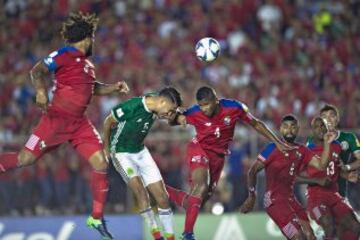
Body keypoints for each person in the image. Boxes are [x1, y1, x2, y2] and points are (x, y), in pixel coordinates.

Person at [0, 12, 129, 240]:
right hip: (55, 120)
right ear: (88, 37)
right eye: (94, 38)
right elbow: (37, 70)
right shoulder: (65, 53)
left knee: (101, 161)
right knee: (25, 160)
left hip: (80, 123)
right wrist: (41, 91)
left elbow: (92, 88)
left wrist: (114, 88)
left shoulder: (87, 64)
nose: (95, 42)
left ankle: (96, 218)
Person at [165, 86, 292, 240]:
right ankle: (188, 235)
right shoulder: (194, 112)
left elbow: (256, 124)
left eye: (206, 104)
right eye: (201, 105)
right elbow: (173, 121)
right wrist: (174, 115)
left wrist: (277, 141)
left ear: (216, 101)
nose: (204, 109)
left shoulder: (234, 107)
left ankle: (161, 189)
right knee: (201, 187)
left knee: (195, 202)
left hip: (218, 157)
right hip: (199, 149)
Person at [103, 87, 182, 240]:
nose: (169, 114)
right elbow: (108, 122)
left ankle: (171, 237)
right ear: (162, 102)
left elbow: (174, 116)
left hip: (140, 151)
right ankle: (156, 235)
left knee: (163, 197)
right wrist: (105, 147)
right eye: (170, 110)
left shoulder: (158, 105)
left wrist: (183, 118)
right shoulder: (132, 106)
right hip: (121, 153)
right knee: (140, 191)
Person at [240, 115, 336, 240]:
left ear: (298, 129)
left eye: (293, 127)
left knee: (310, 236)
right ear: (280, 129)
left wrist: (327, 143)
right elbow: (252, 171)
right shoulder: (272, 148)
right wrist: (252, 195)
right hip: (274, 202)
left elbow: (322, 165)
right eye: (285, 127)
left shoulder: (301, 150)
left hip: (291, 200)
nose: (289, 130)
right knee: (298, 237)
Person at [299, 117, 360, 239]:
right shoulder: (307, 151)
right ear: (312, 131)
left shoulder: (336, 146)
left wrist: (347, 176)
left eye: (323, 126)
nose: (320, 129)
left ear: (327, 128)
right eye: (317, 126)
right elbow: (294, 177)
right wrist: (317, 180)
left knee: (355, 226)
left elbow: (336, 169)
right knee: (329, 226)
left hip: (334, 195)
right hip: (315, 196)